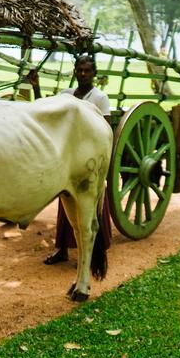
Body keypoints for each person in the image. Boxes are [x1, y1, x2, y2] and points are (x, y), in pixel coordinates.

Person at [27, 54, 113, 265]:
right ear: (75, 71)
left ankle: (92, 250)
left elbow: (106, 129)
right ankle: (62, 249)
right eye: (80, 70)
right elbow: (44, 110)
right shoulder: (66, 95)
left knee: (91, 205)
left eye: (87, 71)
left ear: (94, 74)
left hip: (89, 159)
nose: (83, 74)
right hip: (68, 158)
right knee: (65, 204)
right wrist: (36, 88)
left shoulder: (99, 98)